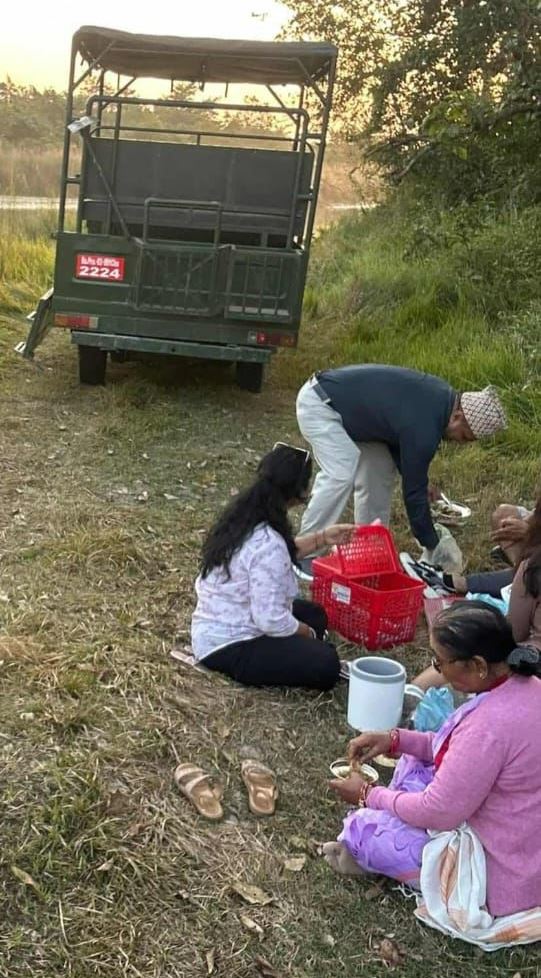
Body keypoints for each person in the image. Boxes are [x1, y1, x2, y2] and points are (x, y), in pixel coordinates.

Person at [323, 601, 541, 917]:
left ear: (478, 665)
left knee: (364, 832)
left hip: (500, 872)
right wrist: (395, 739)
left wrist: (367, 795)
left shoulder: (489, 727)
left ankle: (372, 854)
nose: (437, 670)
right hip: (525, 839)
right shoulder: (527, 687)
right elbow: (453, 752)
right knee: (413, 761)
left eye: (440, 662)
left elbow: (436, 812)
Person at [295, 364, 506, 578]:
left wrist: (421, 482)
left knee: (379, 471)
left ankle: (369, 551)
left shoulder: (442, 400)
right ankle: (304, 552)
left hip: (352, 417)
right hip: (321, 404)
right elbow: (413, 494)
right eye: (463, 436)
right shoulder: (427, 424)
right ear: (457, 417)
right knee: (341, 472)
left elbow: (398, 435)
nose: (459, 442)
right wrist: (431, 542)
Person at [191, 443, 354, 690]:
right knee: (326, 663)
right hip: (229, 646)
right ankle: (311, 647)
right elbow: (270, 620)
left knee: (315, 614)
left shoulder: (247, 515)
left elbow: (276, 556)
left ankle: (307, 641)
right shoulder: (269, 543)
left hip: (227, 618)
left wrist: (323, 538)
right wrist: (307, 634)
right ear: (299, 492)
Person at [410, 493, 541, 693]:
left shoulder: (533, 569)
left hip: (532, 664)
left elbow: (513, 634)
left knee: (466, 650)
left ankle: (411, 692)